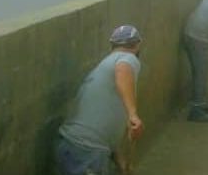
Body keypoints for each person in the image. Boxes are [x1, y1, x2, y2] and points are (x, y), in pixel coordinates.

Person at [56, 25, 144, 175]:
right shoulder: (128, 58)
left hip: (72, 145)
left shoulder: (105, 65)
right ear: (137, 45)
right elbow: (122, 70)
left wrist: (120, 162)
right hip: (87, 151)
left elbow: (102, 125)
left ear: (112, 45)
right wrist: (133, 114)